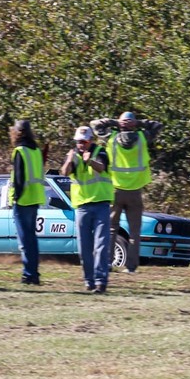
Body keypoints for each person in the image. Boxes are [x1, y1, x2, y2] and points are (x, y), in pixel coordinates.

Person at [90, 111, 163, 273]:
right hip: (135, 191)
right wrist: (138, 123)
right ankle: (131, 267)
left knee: (111, 228)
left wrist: (117, 122)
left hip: (115, 189)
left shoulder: (111, 137)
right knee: (134, 231)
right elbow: (158, 126)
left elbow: (94, 124)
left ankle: (108, 262)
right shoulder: (143, 138)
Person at [61, 126, 113, 294]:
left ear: (91, 141)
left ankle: (100, 282)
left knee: (101, 245)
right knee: (84, 247)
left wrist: (89, 160)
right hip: (82, 206)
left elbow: (102, 167)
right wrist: (69, 160)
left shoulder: (100, 151)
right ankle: (88, 280)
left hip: (101, 205)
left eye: (84, 141)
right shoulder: (74, 154)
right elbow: (64, 172)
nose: (81, 144)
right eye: (78, 141)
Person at [9, 119, 46, 285]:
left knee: (24, 241)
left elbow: (18, 178)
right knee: (32, 239)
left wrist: (15, 197)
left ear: (17, 132)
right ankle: (34, 273)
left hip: (23, 200)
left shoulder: (20, 151)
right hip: (35, 198)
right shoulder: (36, 150)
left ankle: (28, 274)